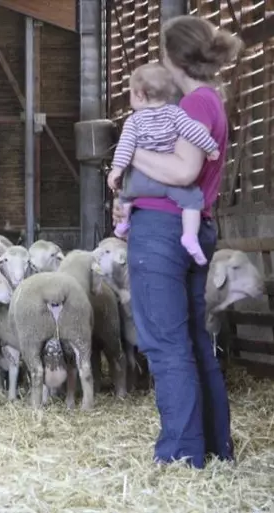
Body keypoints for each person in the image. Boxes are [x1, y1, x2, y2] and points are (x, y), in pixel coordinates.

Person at [108, 15, 243, 469]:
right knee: (191, 341)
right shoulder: (204, 102)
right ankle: (213, 448)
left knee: (166, 344)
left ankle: (181, 456)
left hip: (164, 234)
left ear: (173, 56)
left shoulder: (195, 106)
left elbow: (184, 171)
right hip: (184, 228)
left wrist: (127, 151)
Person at [108, 62, 221, 266]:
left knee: (124, 194)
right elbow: (194, 133)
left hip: (140, 180)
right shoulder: (175, 114)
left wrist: (116, 170)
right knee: (193, 200)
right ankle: (189, 236)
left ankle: (122, 225)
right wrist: (211, 148)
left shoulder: (133, 122)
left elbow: (124, 148)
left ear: (140, 95)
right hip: (167, 182)